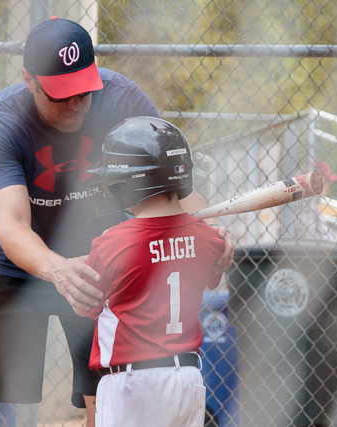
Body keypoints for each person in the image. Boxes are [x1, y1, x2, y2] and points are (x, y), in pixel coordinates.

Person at [0, 17, 234, 427]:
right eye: (61, 95)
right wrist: (58, 269)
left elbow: (177, 192)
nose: (77, 104)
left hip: (103, 260)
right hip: (16, 265)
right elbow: (10, 225)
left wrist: (207, 236)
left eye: (84, 90)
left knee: (105, 395)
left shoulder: (122, 99)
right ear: (29, 80)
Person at [77, 116, 227, 427]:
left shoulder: (112, 243)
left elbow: (85, 306)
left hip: (132, 384)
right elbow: (212, 274)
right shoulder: (209, 237)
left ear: (127, 182)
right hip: (187, 380)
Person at [294, 159, 337, 240]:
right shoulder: (302, 200)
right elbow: (307, 238)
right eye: (327, 181)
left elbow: (323, 230)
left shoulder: (311, 200)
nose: (329, 186)